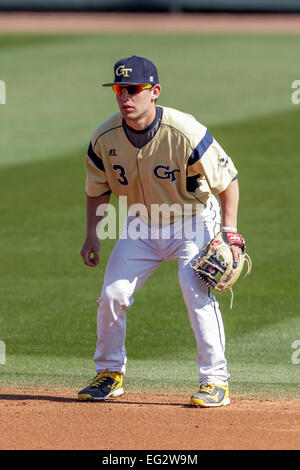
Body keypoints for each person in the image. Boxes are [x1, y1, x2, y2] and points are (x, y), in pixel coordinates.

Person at [78, 55, 242, 407]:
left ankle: (215, 381)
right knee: (112, 295)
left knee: (193, 287)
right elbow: (97, 190)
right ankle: (109, 374)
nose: (125, 97)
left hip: (192, 221)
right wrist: (92, 234)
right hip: (140, 227)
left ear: (154, 92)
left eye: (134, 90)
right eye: (120, 90)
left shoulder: (185, 131)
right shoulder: (104, 137)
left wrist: (229, 233)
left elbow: (227, 183)